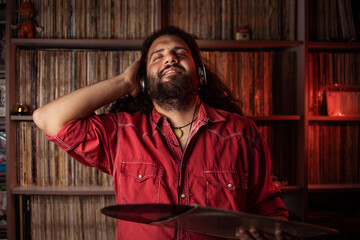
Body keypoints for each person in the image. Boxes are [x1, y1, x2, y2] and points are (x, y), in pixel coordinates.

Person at [33, 26, 289, 240]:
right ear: (143, 79)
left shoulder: (242, 133)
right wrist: (124, 82)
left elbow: (269, 211)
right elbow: (47, 118)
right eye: (157, 56)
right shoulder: (122, 132)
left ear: (199, 74)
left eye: (180, 53)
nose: (170, 58)